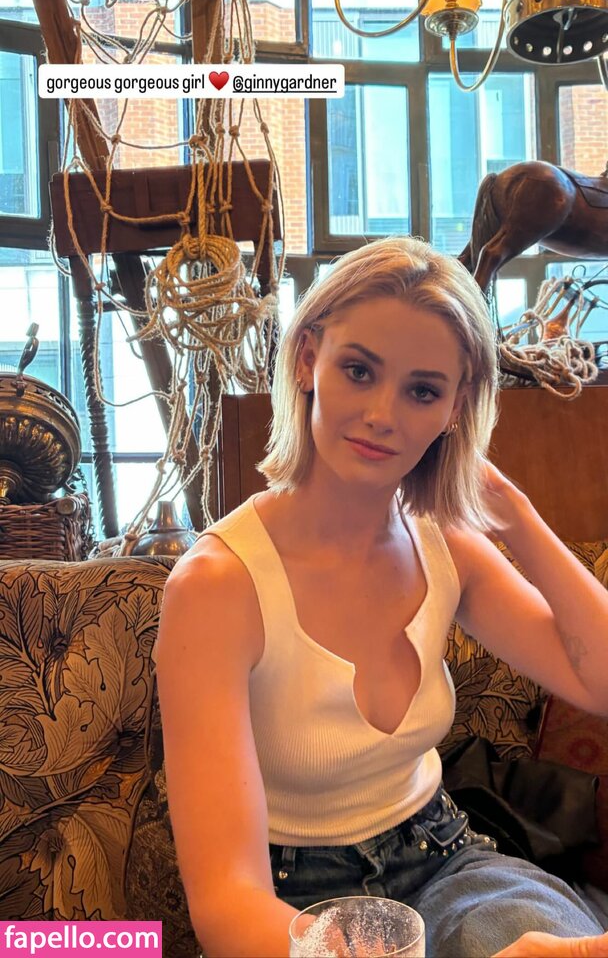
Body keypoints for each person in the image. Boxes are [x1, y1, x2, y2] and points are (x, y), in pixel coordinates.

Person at [157, 237, 608, 958]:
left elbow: (599, 681)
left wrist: (515, 515)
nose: (381, 414)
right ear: (308, 359)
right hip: (292, 899)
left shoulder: (445, 541)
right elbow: (226, 904)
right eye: (359, 371)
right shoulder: (217, 586)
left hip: (446, 855)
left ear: (456, 407)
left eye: (422, 390)